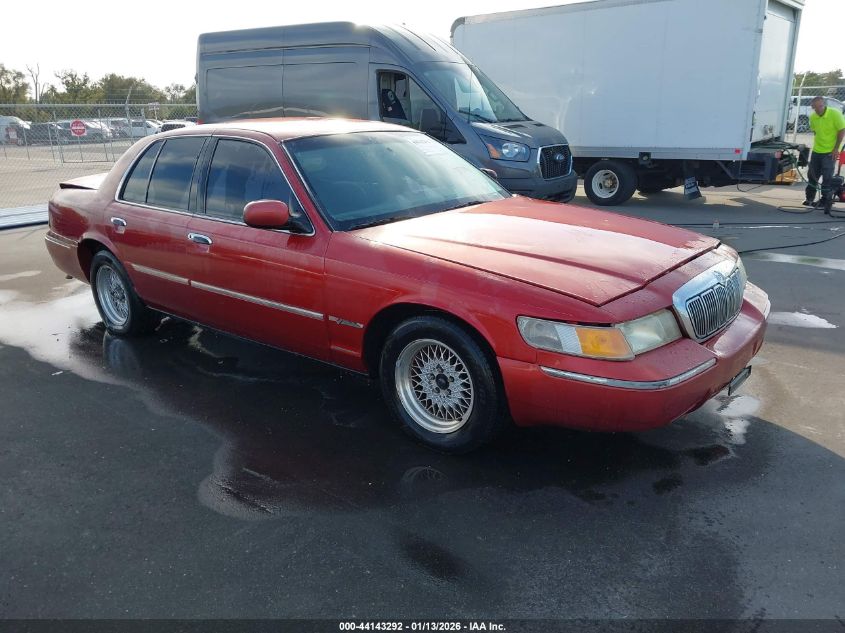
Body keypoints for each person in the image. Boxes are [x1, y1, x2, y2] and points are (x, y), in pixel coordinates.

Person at [804, 96, 845, 214]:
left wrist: (836, 148)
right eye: (815, 107)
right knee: (812, 175)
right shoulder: (813, 117)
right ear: (812, 107)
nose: (818, 109)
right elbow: (815, 131)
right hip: (817, 151)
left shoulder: (835, 114)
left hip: (829, 152)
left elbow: (842, 130)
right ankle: (809, 198)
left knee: (827, 177)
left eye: (820, 106)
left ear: (824, 104)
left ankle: (825, 200)